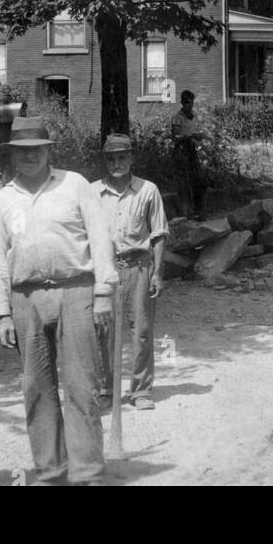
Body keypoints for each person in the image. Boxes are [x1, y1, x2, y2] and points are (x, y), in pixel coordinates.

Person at [0, 116, 119, 486]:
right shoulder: (4, 198)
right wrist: (2, 313)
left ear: (48, 151)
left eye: (36, 150)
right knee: (36, 388)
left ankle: (87, 473)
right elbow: (0, 259)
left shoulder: (74, 184)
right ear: (12, 155)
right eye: (21, 151)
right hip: (25, 297)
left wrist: (103, 293)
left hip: (75, 290)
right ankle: (50, 471)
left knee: (81, 386)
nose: (29, 157)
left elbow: (100, 238)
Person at [92, 134, 169, 411]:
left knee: (142, 331)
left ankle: (141, 389)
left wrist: (157, 274)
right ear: (105, 161)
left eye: (122, 157)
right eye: (111, 158)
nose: (117, 163)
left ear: (131, 158)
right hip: (106, 269)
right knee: (104, 329)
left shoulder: (148, 190)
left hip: (139, 267)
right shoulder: (92, 192)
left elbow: (159, 235)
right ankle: (107, 388)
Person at [170, 90, 206, 219]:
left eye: (190, 103)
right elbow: (175, 136)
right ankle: (185, 212)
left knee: (197, 179)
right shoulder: (177, 118)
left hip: (191, 150)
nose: (189, 106)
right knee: (184, 181)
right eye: (186, 103)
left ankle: (198, 211)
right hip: (181, 151)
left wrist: (198, 136)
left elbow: (193, 132)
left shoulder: (192, 116)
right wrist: (190, 136)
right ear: (182, 103)